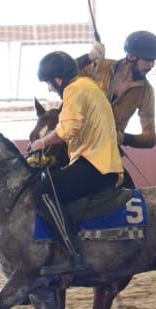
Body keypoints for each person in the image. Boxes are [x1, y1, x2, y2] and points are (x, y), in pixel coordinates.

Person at [26, 50, 124, 276]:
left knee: (42, 191)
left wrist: (42, 142)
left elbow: (67, 130)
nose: (50, 88)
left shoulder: (74, 90)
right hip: (103, 165)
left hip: (94, 166)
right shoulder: (87, 86)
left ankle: (71, 254)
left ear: (58, 80)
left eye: (49, 84)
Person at [75, 29, 156, 185]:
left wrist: (123, 138)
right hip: (75, 142)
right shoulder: (100, 66)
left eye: (153, 61)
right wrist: (88, 58)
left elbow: (150, 138)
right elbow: (63, 75)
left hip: (106, 155)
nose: (151, 66)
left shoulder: (147, 92)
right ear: (131, 56)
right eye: (148, 60)